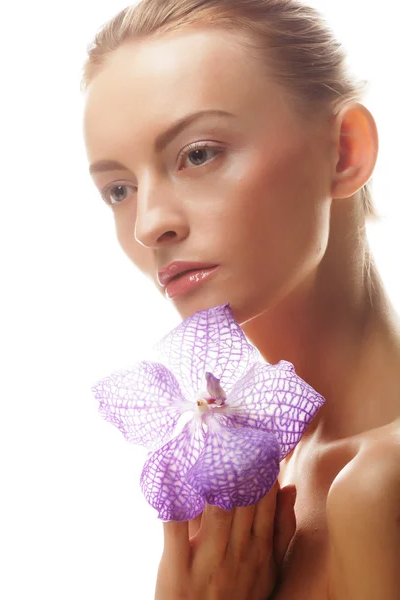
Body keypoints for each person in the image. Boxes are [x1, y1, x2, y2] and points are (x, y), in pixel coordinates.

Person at [80, 0, 400, 598]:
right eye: (118, 189)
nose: (149, 224)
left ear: (345, 151)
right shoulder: (255, 475)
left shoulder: (379, 485)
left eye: (198, 154)